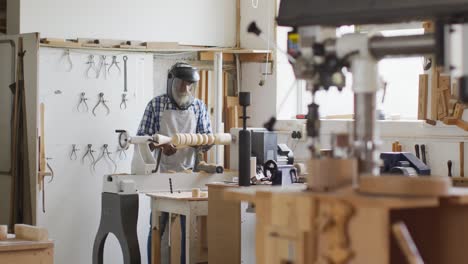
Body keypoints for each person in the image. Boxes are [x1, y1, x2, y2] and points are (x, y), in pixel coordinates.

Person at [137, 62, 212, 264]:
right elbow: (142, 141)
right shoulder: (156, 105)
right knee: (157, 228)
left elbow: (207, 140)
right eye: (181, 84)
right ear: (171, 81)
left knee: (189, 231)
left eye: (190, 85)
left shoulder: (199, 107)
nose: (185, 89)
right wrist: (160, 146)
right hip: (161, 177)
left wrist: (201, 144)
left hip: (190, 178)